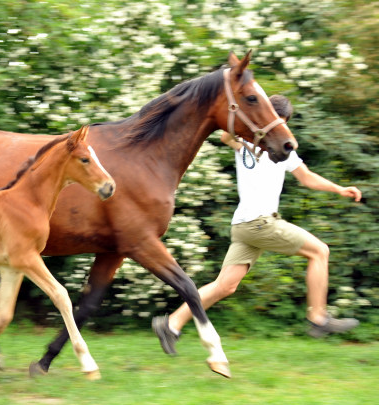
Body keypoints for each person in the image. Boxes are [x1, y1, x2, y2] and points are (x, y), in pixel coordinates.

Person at [153, 95, 362, 355]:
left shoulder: (283, 149)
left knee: (224, 286)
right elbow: (225, 137)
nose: (280, 127)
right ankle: (318, 317)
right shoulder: (245, 140)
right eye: (278, 121)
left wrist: (339, 189)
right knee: (320, 251)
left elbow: (307, 177)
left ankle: (171, 325)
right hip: (260, 223)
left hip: (244, 225)